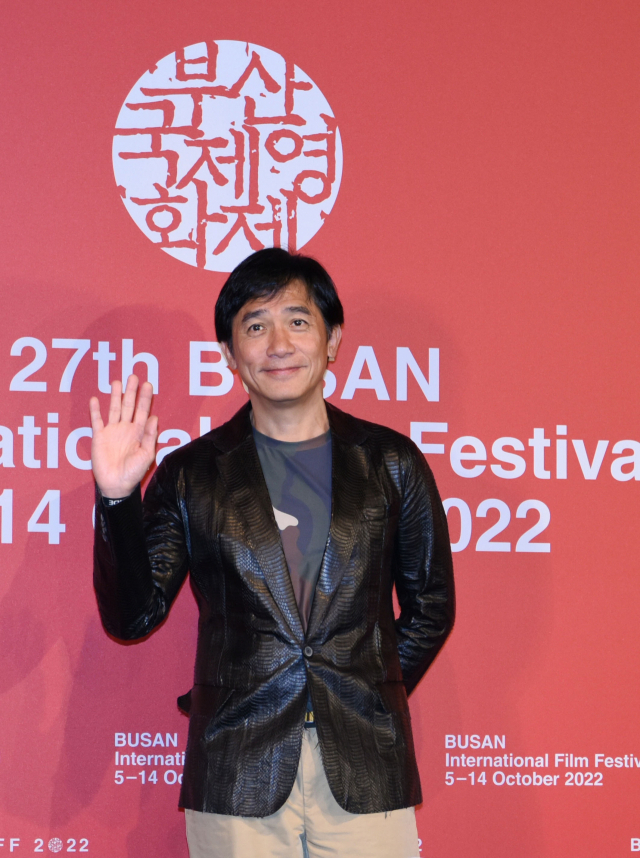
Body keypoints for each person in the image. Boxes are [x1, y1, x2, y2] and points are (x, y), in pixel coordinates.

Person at [91, 248, 455, 858]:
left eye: (298, 320)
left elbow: (432, 608)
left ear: (332, 340)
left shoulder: (392, 463)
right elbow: (131, 617)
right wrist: (117, 498)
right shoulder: (191, 474)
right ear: (230, 354)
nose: (278, 344)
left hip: (366, 764)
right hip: (237, 766)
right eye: (255, 326)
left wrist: (359, 693)